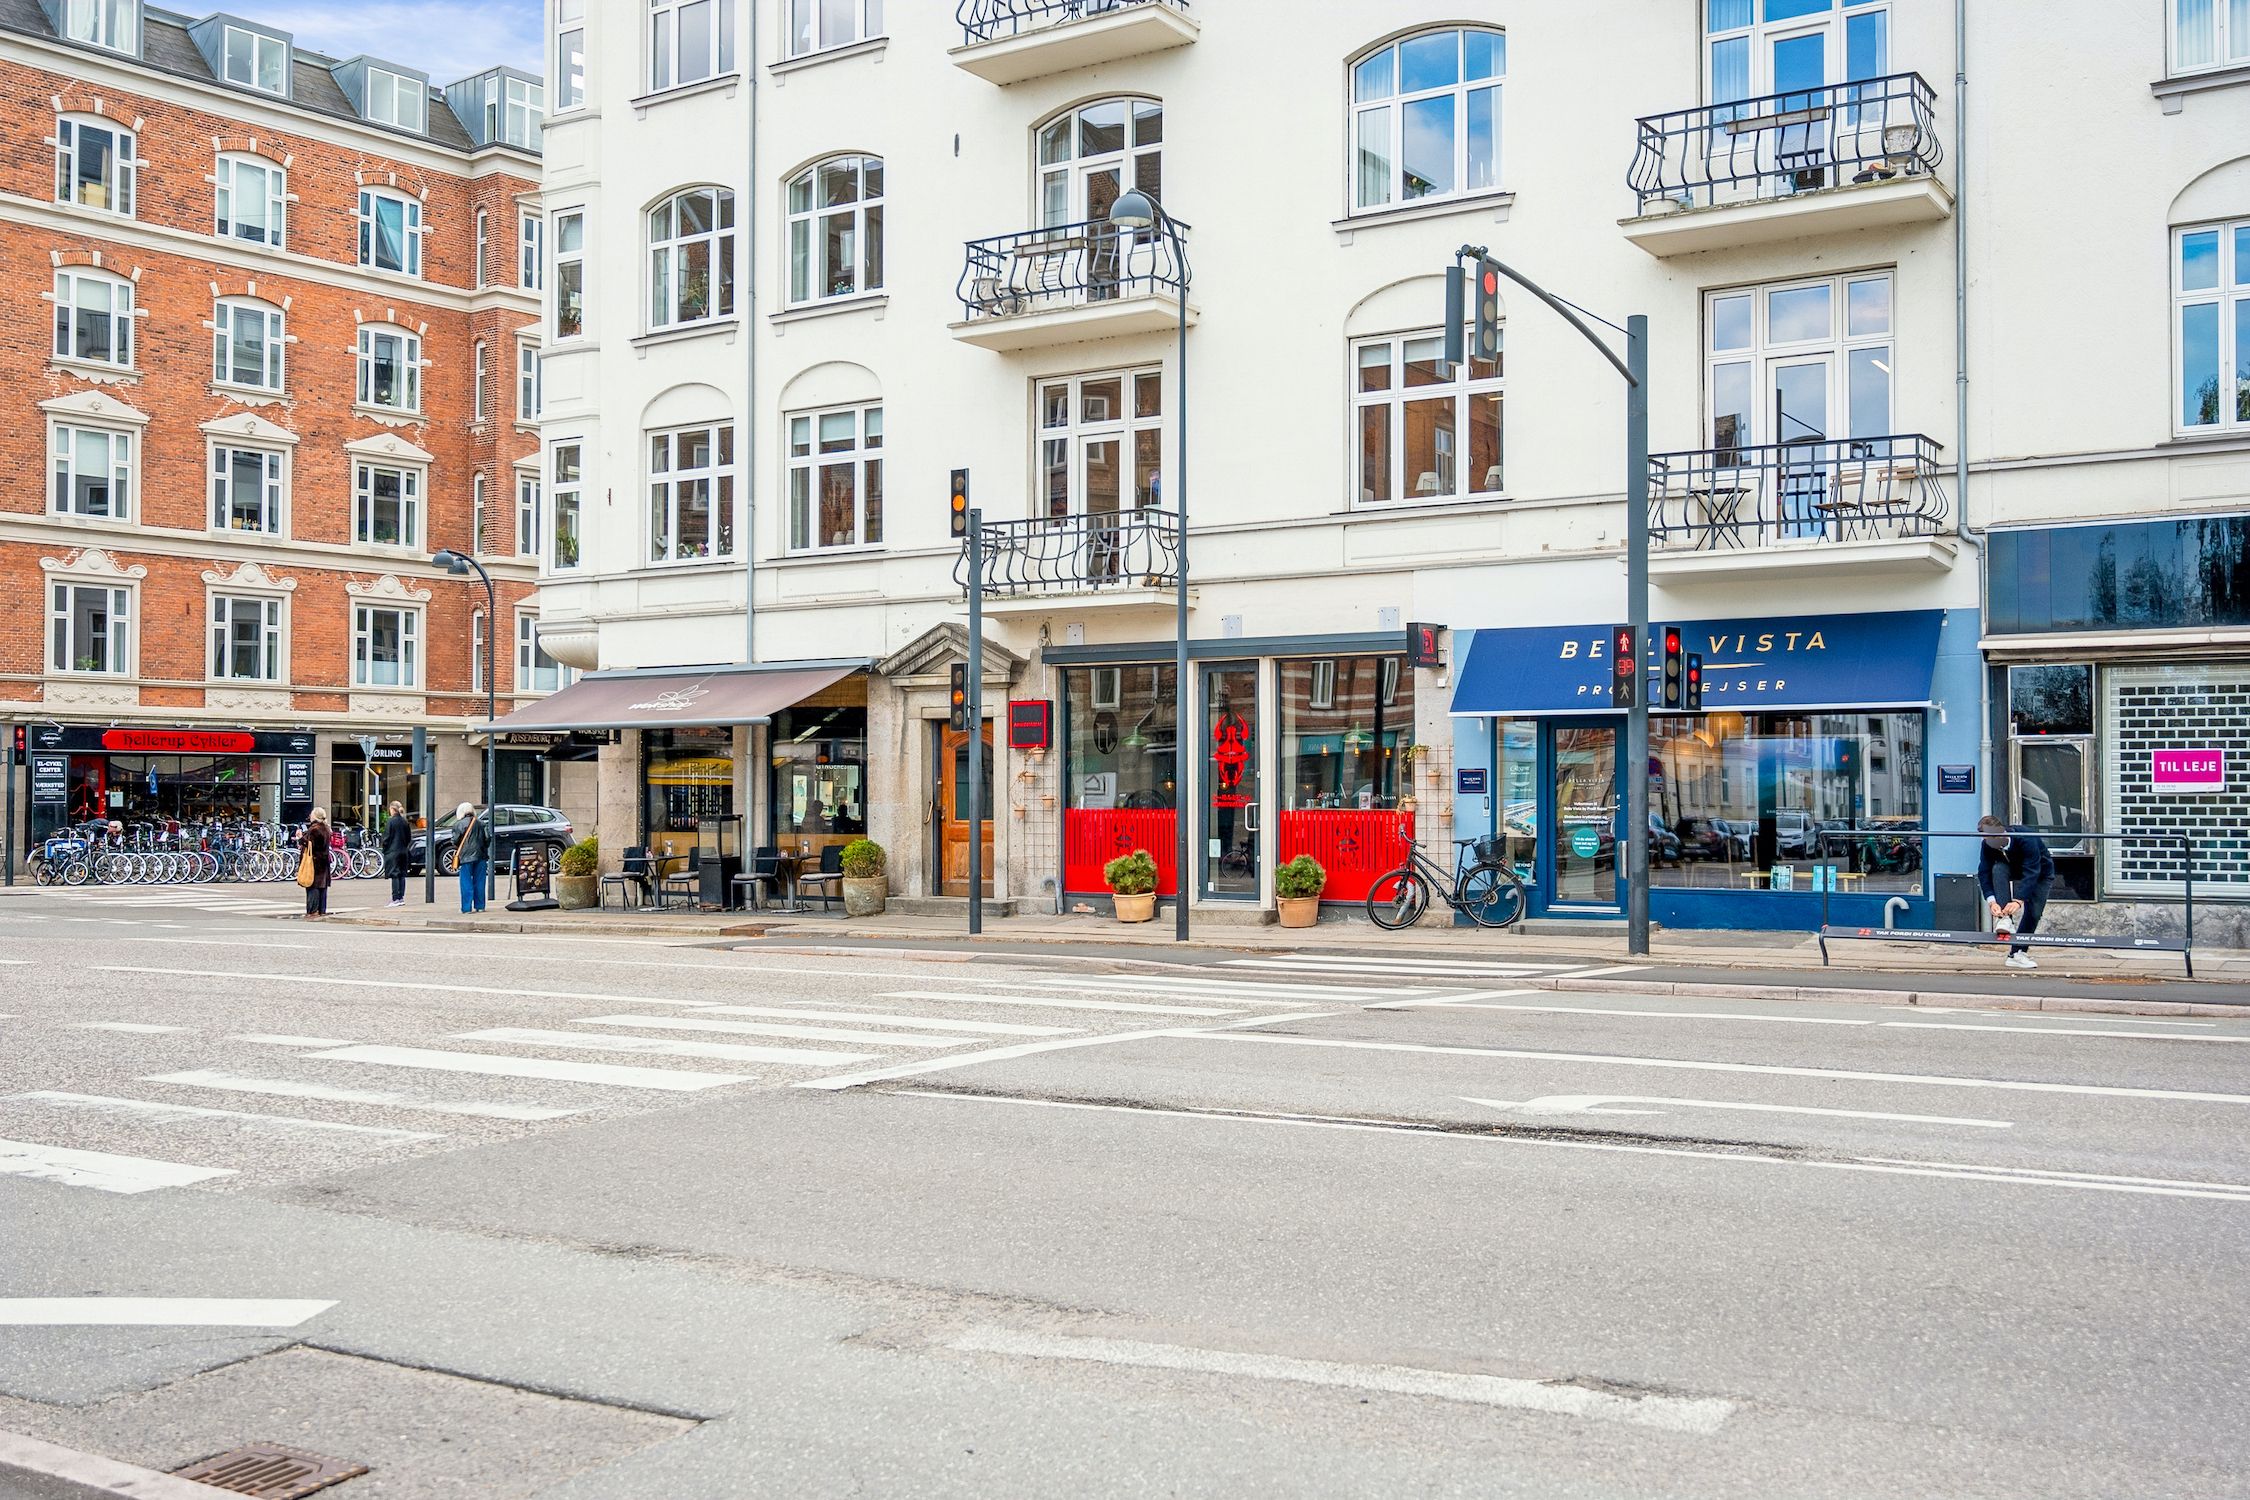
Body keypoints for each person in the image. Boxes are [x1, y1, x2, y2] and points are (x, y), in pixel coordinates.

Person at [1977, 813, 2055, 971]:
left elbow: (2032, 871)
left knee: (2033, 913)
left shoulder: (2024, 837)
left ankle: (2017, 953)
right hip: (2012, 867)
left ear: (2002, 832)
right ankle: (2005, 919)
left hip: (2040, 872)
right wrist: (1992, 902)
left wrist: (2018, 900)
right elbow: (1984, 872)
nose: (1988, 842)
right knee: (1998, 868)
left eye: (1991, 838)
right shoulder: (1987, 845)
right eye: (1985, 839)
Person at [455, 801, 491, 914]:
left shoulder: (459, 824)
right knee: (480, 881)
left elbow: (455, 840)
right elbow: (487, 838)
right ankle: (480, 906)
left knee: (466, 882)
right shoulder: (481, 823)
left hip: (465, 857)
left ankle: (466, 908)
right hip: (481, 856)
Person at [300, 807, 334, 920]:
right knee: (322, 887)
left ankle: (312, 911)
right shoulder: (326, 828)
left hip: (314, 861)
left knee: (312, 885)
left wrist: (300, 838)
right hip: (324, 861)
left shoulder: (314, 829)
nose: (310, 816)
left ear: (314, 816)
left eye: (311, 814)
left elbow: (310, 844)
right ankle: (321, 910)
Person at [381, 800, 413, 908]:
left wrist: (385, 849)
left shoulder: (391, 822)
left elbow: (386, 838)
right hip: (403, 851)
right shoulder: (405, 822)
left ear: (392, 809)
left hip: (393, 851)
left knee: (394, 874)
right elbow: (409, 837)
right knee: (402, 874)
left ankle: (395, 898)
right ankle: (401, 897)